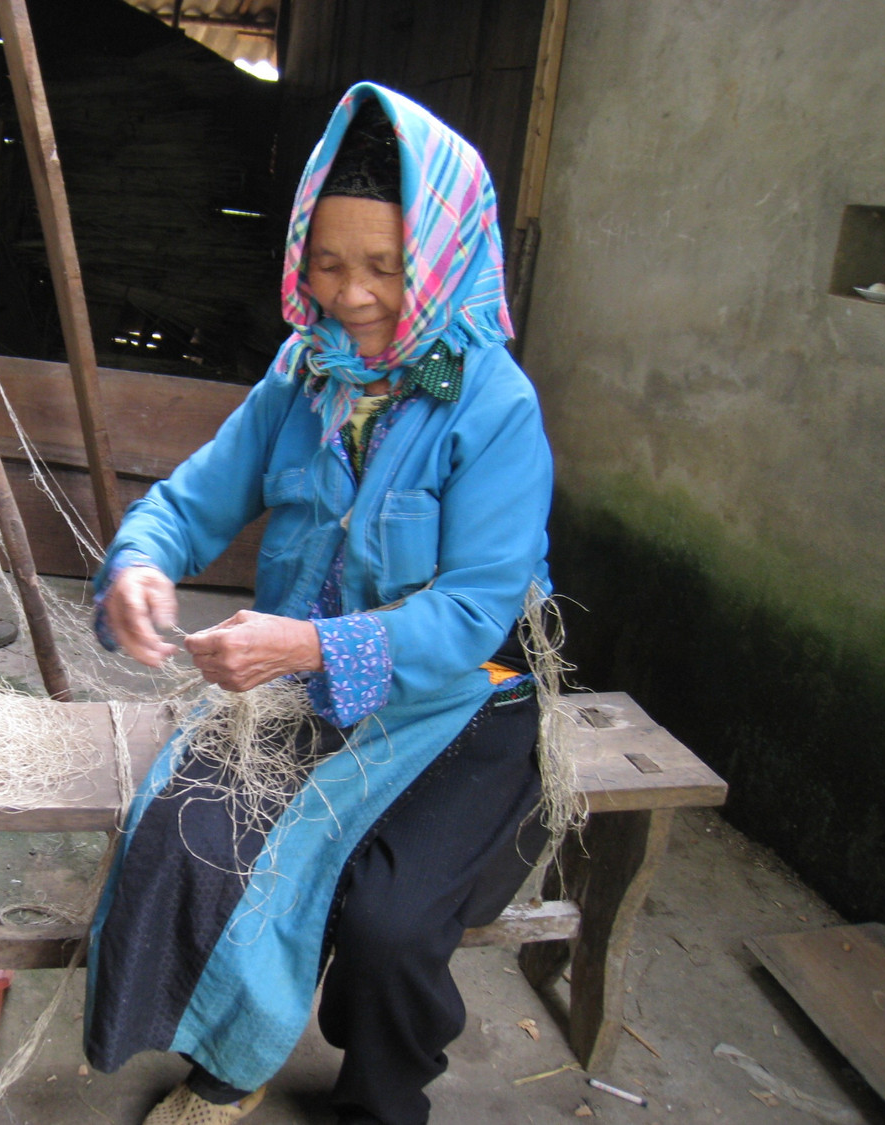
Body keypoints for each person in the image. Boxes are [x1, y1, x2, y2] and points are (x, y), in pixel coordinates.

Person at [85, 82, 555, 1125]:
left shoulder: (495, 406)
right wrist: (141, 564)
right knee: (191, 830)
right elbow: (191, 502)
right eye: (329, 263)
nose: (352, 295)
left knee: (389, 921)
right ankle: (228, 1060)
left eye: (386, 266)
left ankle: (381, 1102)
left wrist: (305, 643)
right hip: (306, 687)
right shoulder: (303, 378)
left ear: (443, 258)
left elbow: (473, 613)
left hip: (465, 697)